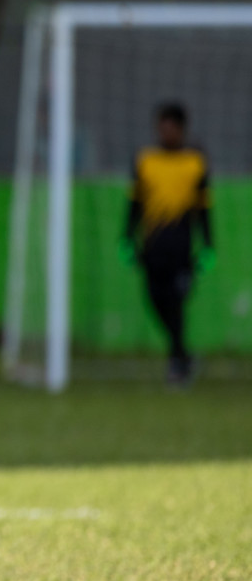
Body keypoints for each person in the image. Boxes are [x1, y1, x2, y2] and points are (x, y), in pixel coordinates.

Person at [121, 102, 213, 386]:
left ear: (181, 129)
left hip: (182, 249)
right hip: (153, 248)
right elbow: (134, 204)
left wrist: (209, 246)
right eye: (162, 127)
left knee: (176, 304)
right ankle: (183, 355)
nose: (166, 132)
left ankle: (177, 364)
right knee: (155, 300)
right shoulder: (145, 160)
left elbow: (204, 209)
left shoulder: (195, 161)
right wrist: (126, 239)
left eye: (171, 127)